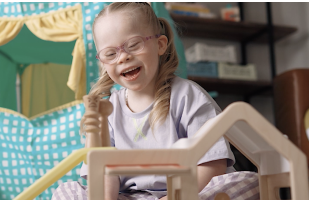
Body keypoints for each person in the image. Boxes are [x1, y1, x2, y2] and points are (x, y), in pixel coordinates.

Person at [52, 2, 235, 200]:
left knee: (241, 183)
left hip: (188, 191)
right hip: (133, 197)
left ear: (160, 45)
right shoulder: (107, 111)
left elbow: (212, 166)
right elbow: (105, 177)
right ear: (103, 63)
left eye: (133, 45)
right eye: (111, 54)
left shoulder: (188, 96)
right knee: (66, 192)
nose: (123, 57)